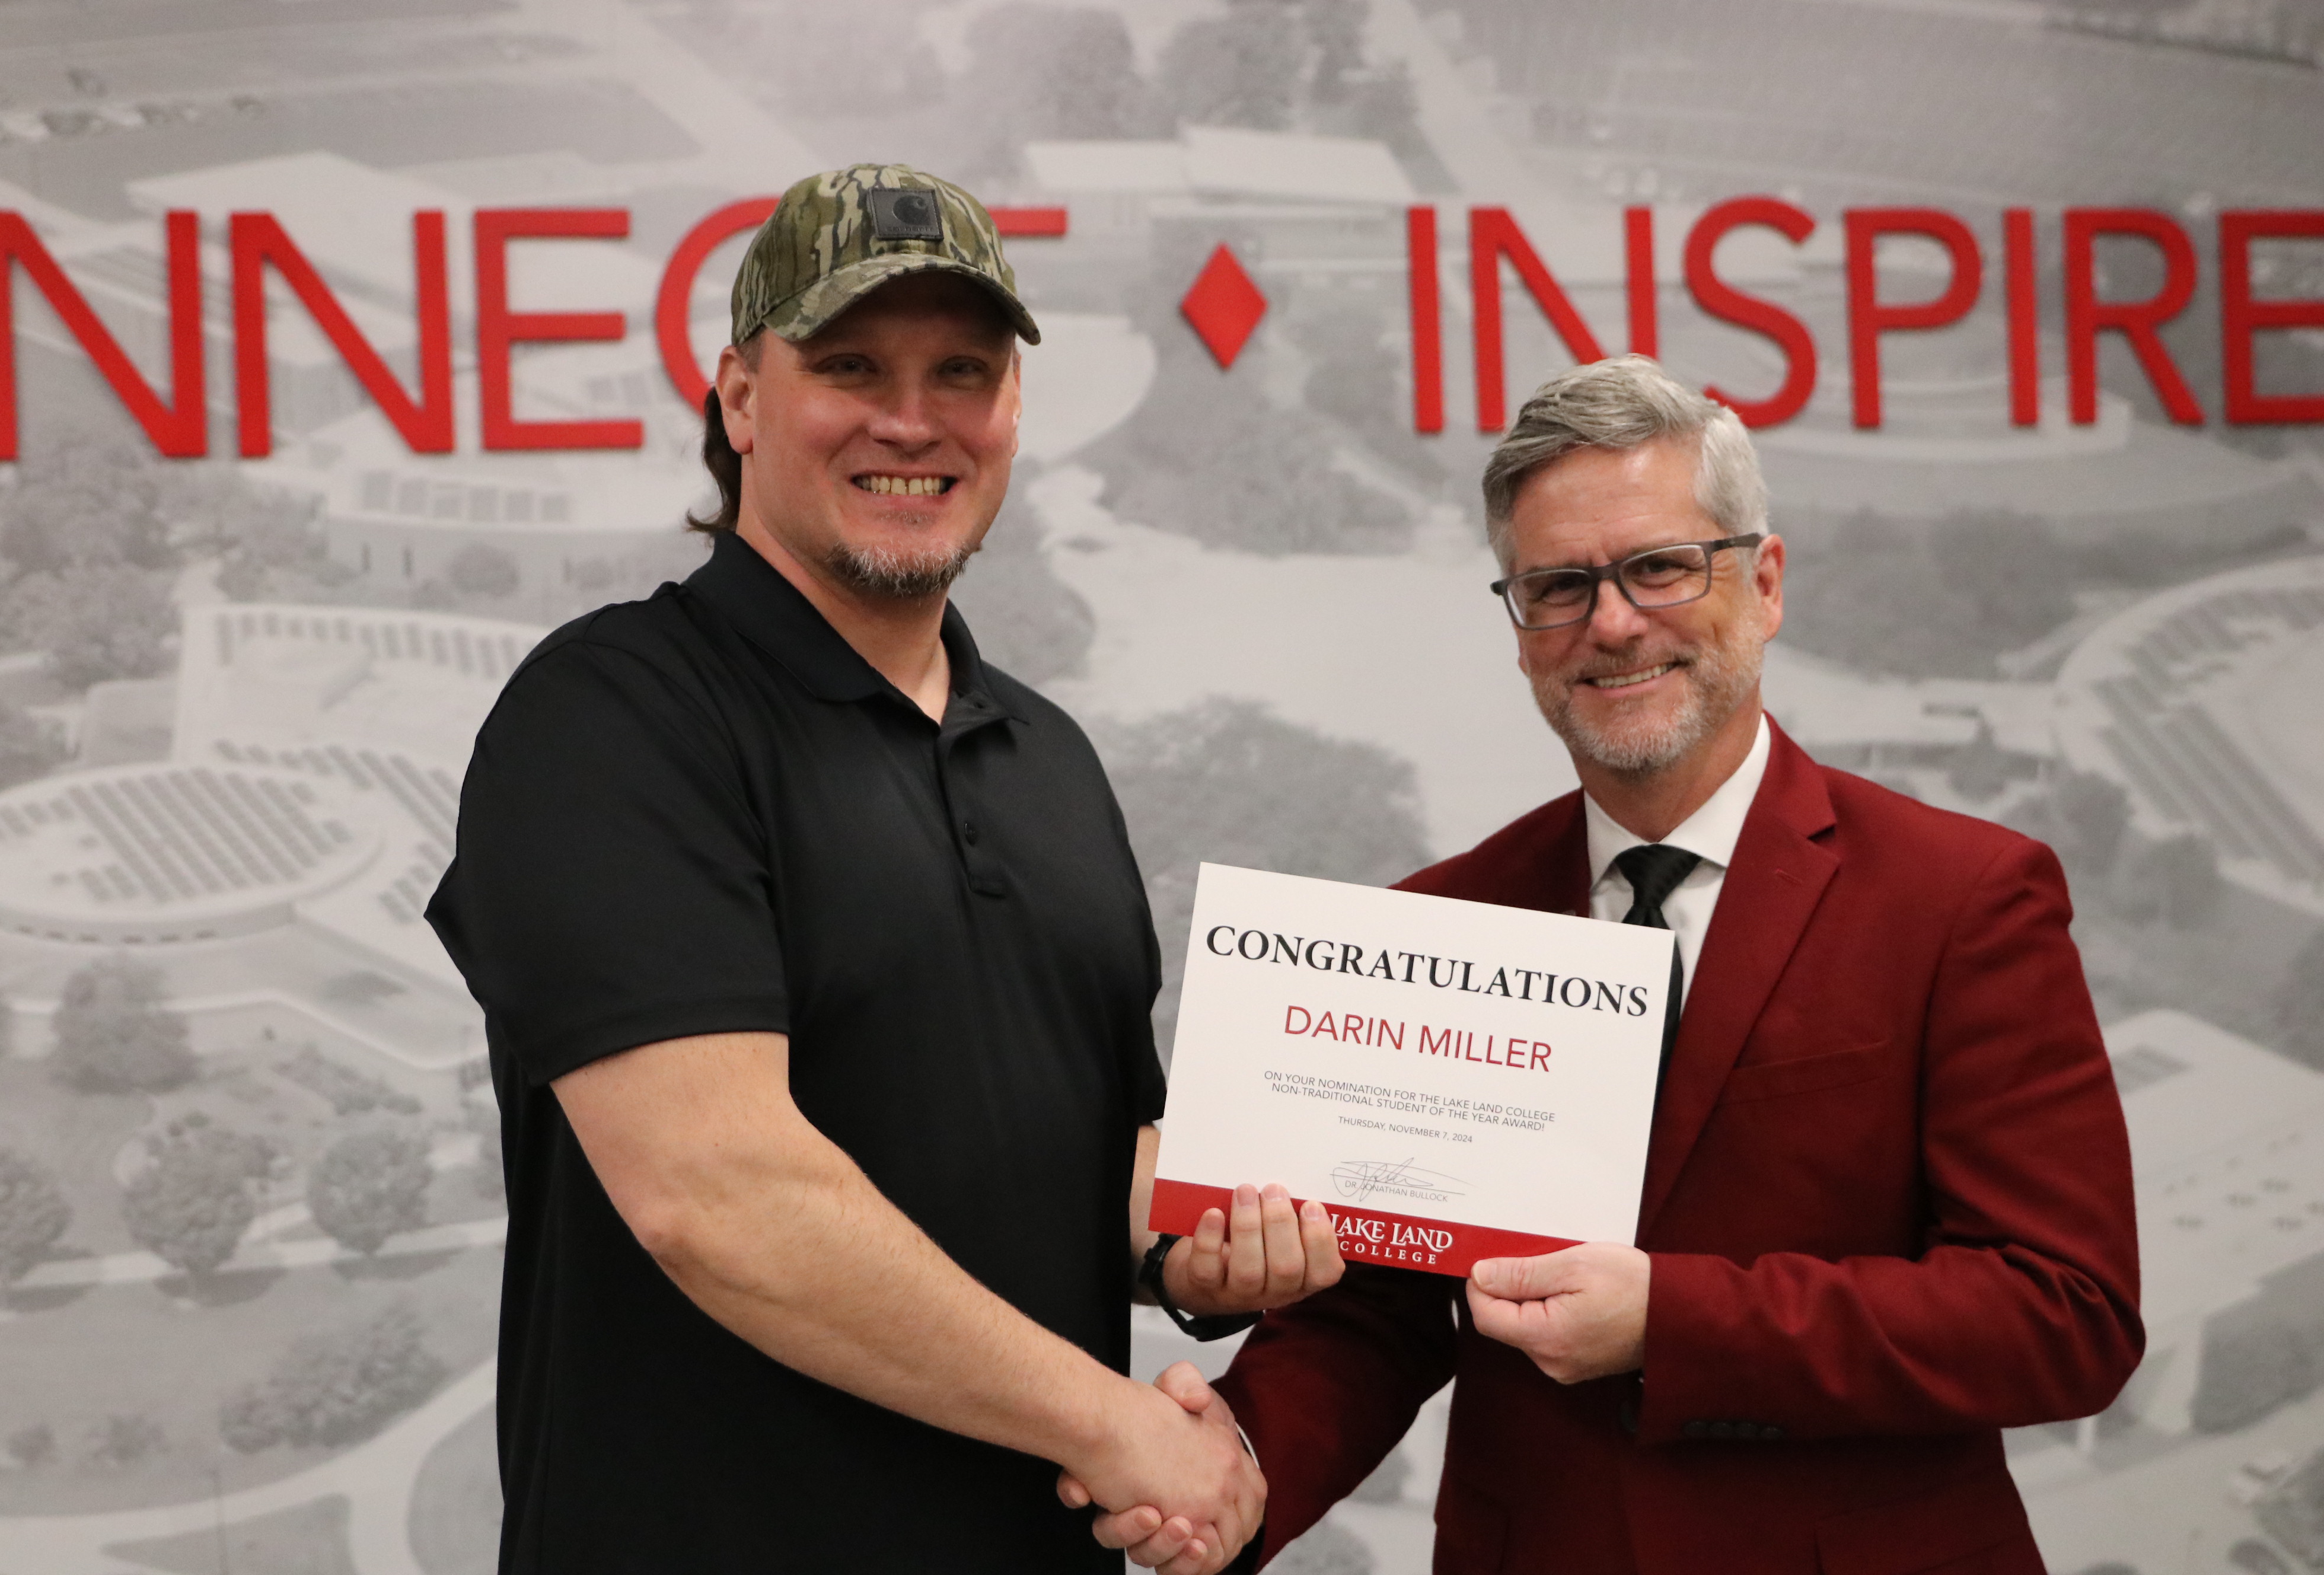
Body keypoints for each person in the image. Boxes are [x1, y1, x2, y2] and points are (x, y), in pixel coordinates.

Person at [1085, 355, 2142, 1573]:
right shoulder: (1442, 920)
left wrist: (1674, 1322)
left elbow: (2065, 1312)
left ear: (1766, 582)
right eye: (1560, 585)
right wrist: (1244, 1468)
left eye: (1660, 566)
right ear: (1519, 626)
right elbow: (1377, 1314)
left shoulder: (1962, 897)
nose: (1614, 621)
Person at [428, 165, 1337, 1575]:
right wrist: (1119, 1424)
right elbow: (717, 1193)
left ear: (1012, 414)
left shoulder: (1051, 758)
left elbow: (1069, 1149)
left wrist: (1198, 1239)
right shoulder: (614, 714)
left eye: (960, 372)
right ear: (740, 398)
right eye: (850, 365)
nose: (911, 421)